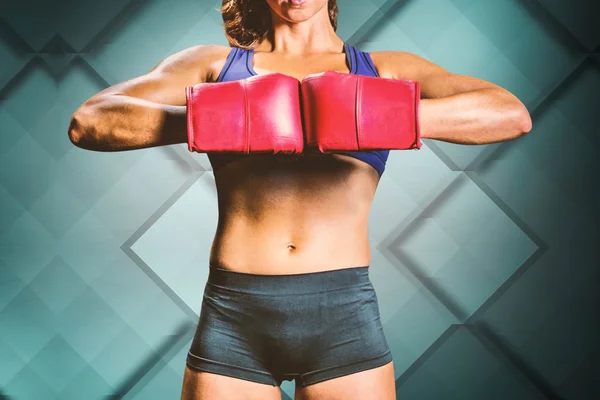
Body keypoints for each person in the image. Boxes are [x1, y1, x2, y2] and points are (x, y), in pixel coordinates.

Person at [68, 0, 532, 399]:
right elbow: (89, 121)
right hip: (235, 314)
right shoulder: (215, 66)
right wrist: (219, 116)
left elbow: (509, 114)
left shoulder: (381, 69)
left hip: (342, 315)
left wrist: (381, 114)